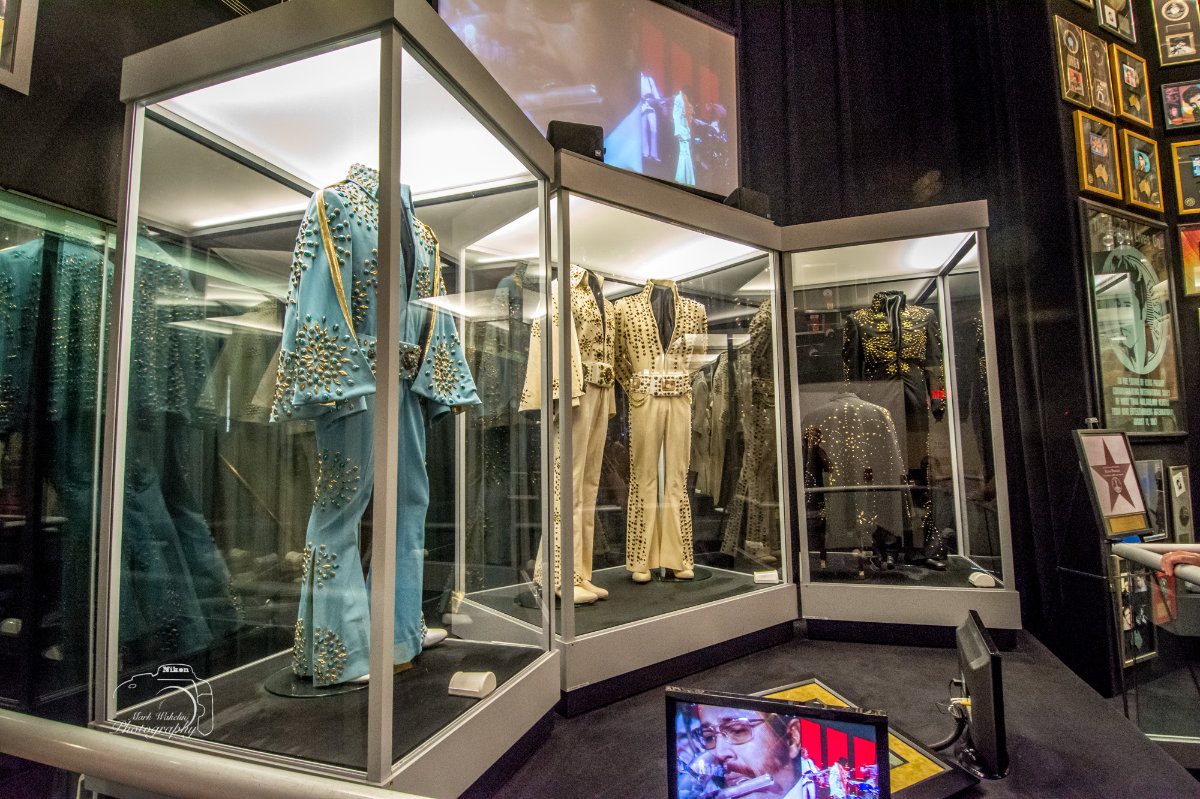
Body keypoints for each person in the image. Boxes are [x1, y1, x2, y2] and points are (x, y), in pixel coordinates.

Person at [693, 704, 804, 798]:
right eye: (708, 737)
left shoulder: (820, 786)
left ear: (792, 739)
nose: (719, 753)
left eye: (738, 731)